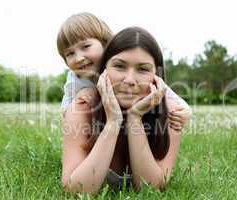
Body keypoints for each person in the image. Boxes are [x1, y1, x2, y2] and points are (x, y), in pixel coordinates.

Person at [61, 26, 192, 194]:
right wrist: (113, 121)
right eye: (119, 66)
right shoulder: (82, 108)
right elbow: (76, 191)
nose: (129, 80)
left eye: (143, 69)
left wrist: (135, 118)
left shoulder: (172, 114)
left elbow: (150, 189)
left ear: (157, 77)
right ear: (103, 69)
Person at [57, 12, 191, 132]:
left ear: (105, 43)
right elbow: (67, 101)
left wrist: (185, 109)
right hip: (103, 124)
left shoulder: (121, 68)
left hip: (137, 122)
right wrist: (69, 112)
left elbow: (162, 88)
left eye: (86, 46)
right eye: (70, 54)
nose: (79, 58)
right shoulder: (75, 78)